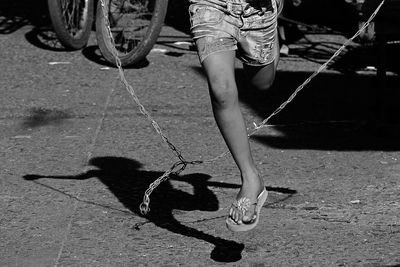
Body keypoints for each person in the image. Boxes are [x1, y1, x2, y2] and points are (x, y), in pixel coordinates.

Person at [188, 0, 283, 232]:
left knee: (263, 82)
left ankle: (275, 18)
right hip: (211, 5)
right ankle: (251, 179)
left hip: (257, 9)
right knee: (221, 90)